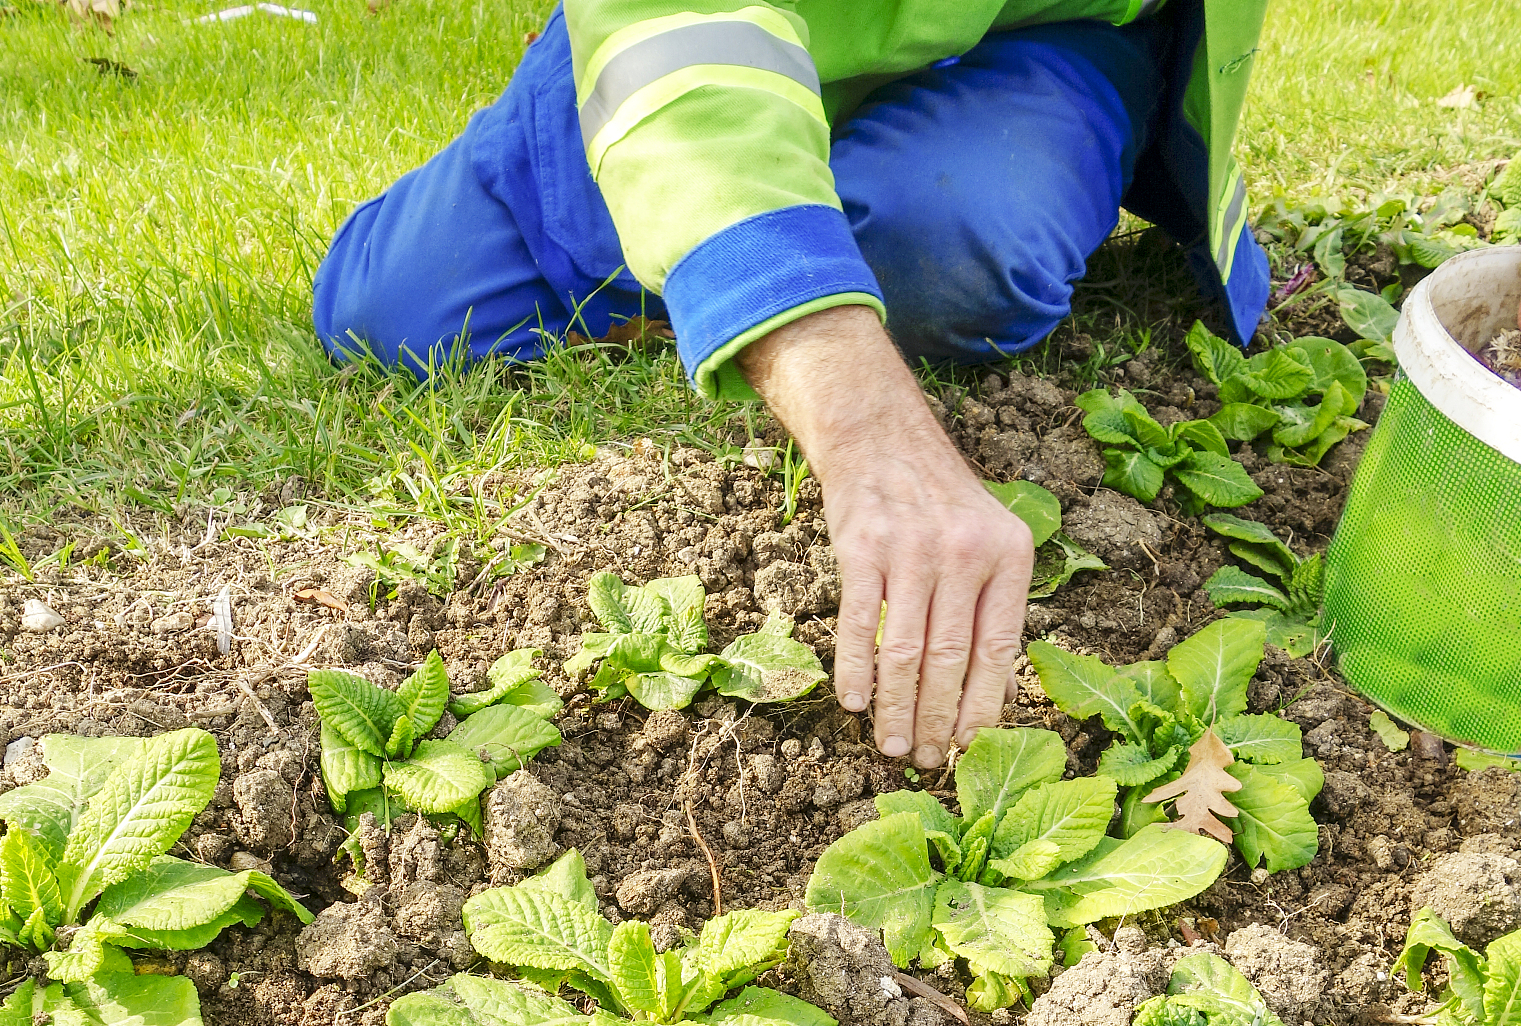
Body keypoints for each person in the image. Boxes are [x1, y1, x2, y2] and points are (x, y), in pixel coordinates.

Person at [314, 0, 1271, 768]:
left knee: (951, 252)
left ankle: (818, 222)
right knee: (387, 318)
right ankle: (742, 239)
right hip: (724, 32)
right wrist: (853, 406)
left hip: (1033, 33)